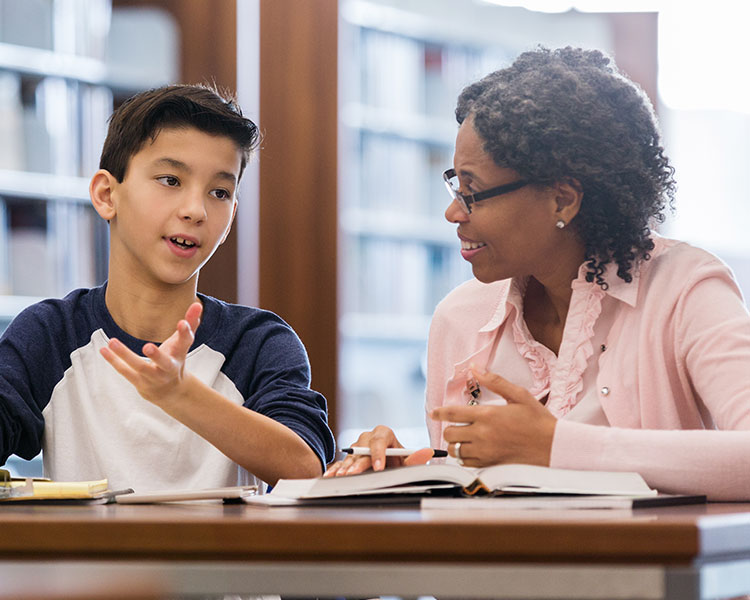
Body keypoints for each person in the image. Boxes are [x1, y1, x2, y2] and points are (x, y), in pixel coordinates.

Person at [325, 47, 750, 501]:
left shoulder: (685, 289)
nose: (453, 212)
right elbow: (475, 497)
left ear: (562, 199)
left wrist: (557, 447)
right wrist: (405, 472)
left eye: (474, 192)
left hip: (636, 573)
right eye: (455, 185)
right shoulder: (460, 318)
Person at [0, 84, 335, 491]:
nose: (195, 210)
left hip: (226, 558)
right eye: (170, 180)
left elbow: (305, 467)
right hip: (87, 557)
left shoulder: (259, 342)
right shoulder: (51, 334)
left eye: (219, 192)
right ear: (107, 195)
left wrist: (180, 395)